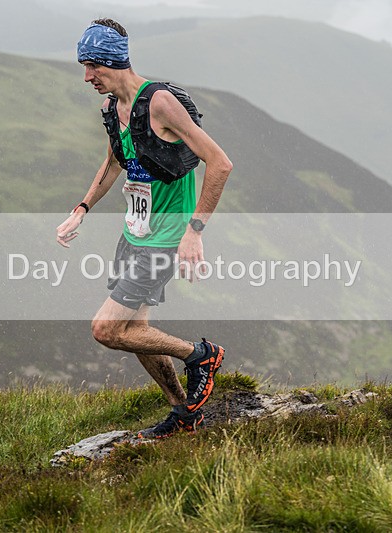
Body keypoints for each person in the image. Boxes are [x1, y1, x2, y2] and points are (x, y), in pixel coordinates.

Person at [56, 18, 233, 439]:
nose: (87, 77)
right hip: (134, 232)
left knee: (107, 329)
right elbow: (114, 162)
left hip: (167, 237)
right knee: (136, 333)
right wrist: (81, 208)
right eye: (84, 67)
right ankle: (184, 412)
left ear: (114, 61)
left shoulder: (159, 103)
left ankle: (200, 355)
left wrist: (194, 231)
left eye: (93, 66)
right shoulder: (111, 109)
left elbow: (220, 163)